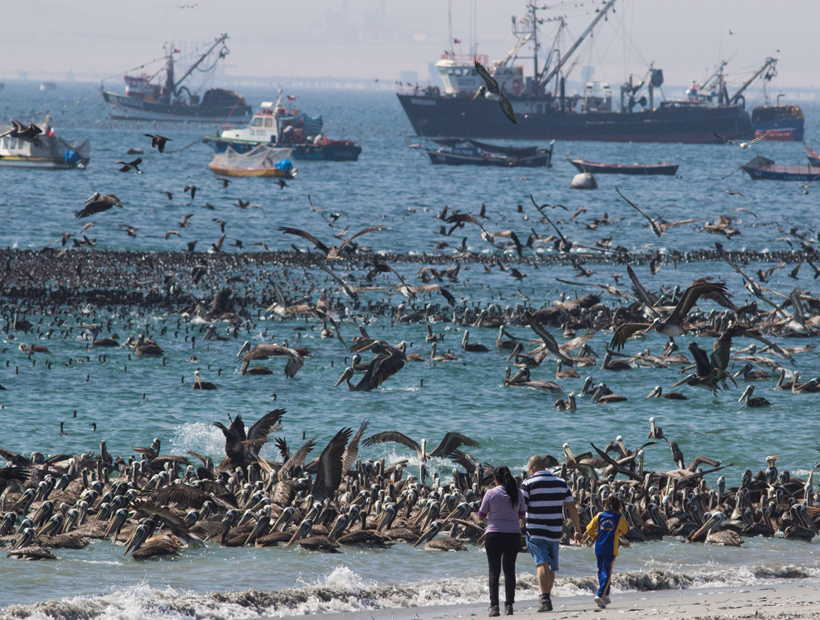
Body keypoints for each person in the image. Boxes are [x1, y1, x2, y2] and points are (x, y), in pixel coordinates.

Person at [519, 455, 583, 613]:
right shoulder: (561, 483)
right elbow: (572, 507)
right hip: (555, 532)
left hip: (535, 531)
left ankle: (545, 598)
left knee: (541, 563)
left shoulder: (528, 483)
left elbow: (521, 508)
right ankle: (547, 596)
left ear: (531, 469)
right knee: (551, 566)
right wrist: (577, 530)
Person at [478, 466, 525, 617]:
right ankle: (509, 606)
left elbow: (481, 515)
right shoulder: (518, 492)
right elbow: (522, 515)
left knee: (494, 571)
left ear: (495, 479)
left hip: (494, 535)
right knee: (509, 570)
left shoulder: (490, 493)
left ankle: (494, 607)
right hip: (513, 535)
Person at [585, 495, 628, 609]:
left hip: (598, 547)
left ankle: (606, 595)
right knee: (607, 572)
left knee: (601, 571)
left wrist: (595, 535)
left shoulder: (599, 516)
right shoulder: (618, 518)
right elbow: (625, 530)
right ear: (618, 507)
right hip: (610, 549)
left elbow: (589, 529)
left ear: (605, 506)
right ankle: (600, 595)